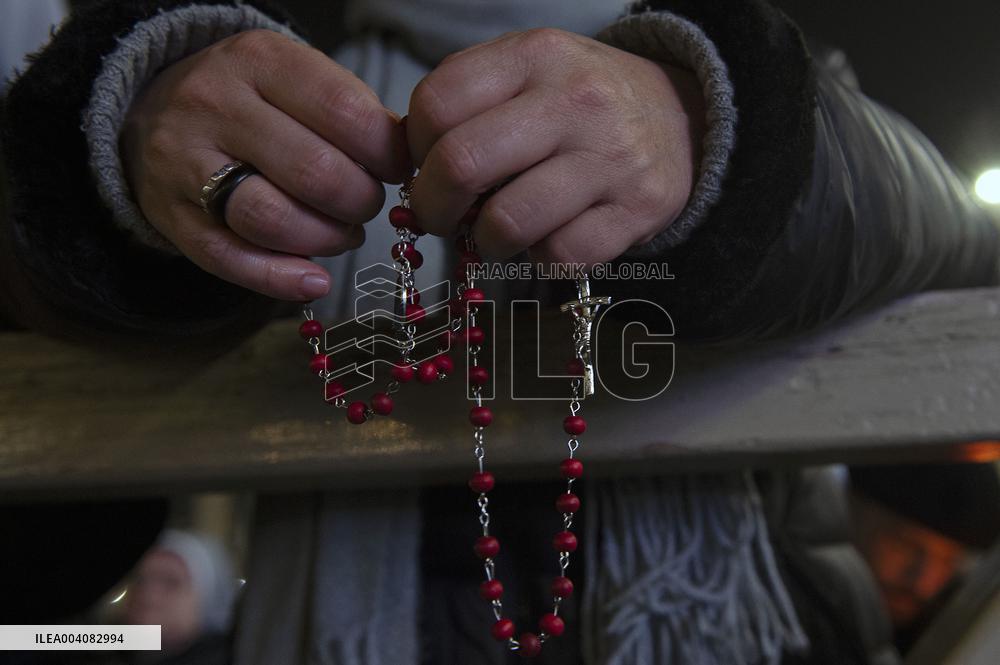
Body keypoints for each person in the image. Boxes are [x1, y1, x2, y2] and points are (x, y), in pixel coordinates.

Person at [2, 1, 997, 664]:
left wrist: (721, 120)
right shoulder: (266, 98)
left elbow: (949, 231)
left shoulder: (747, 59)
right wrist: (117, 133)